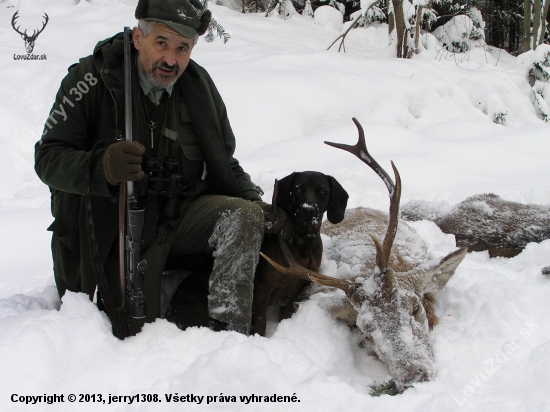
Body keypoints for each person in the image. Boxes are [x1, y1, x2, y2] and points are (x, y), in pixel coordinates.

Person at [34, 0, 286, 338]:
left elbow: (224, 162)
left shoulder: (198, 88)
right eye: (162, 43)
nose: (171, 59)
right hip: (109, 233)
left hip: (175, 220)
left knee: (243, 216)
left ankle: (231, 336)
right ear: (139, 38)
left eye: (183, 48)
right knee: (127, 333)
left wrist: (251, 198)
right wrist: (102, 167)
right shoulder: (90, 80)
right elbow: (47, 158)